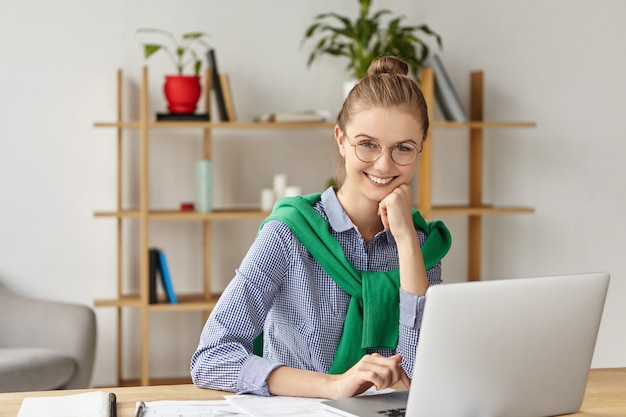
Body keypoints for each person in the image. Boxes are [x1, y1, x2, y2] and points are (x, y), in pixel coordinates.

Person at [190, 56, 451, 399]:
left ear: (420, 150)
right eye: (367, 144)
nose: (384, 164)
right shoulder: (290, 233)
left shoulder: (420, 244)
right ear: (341, 140)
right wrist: (333, 385)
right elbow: (211, 358)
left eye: (403, 148)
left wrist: (404, 240)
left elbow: (424, 376)